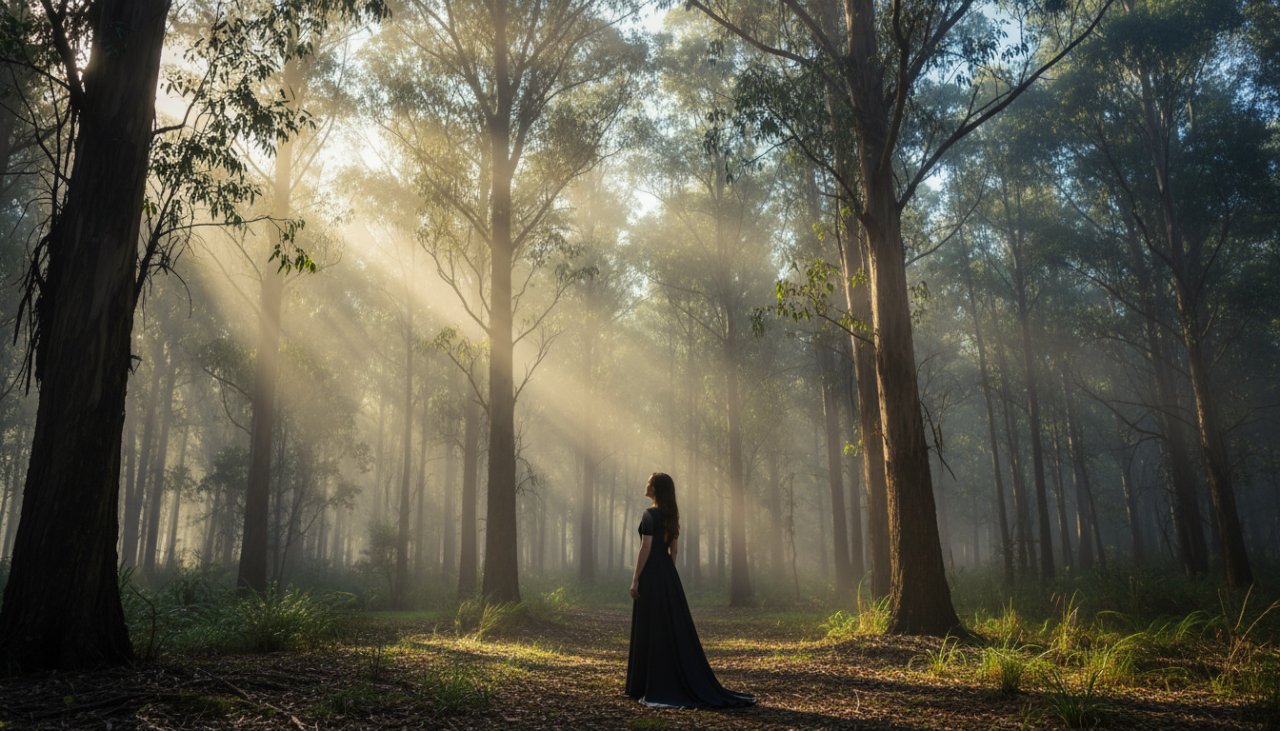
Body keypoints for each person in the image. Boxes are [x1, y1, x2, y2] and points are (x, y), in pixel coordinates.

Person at [625, 472, 755, 709]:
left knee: (650, 625)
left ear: (655, 489)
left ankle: (643, 684)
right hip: (667, 575)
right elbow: (673, 551)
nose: (646, 484)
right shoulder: (671, 515)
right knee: (668, 627)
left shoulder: (649, 514)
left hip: (652, 574)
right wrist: (668, 576)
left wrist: (636, 579)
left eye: (649, 482)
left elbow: (646, 548)